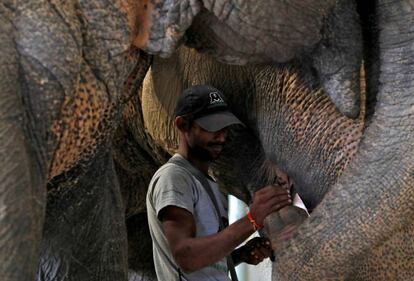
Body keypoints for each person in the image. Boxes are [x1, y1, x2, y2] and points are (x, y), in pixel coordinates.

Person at [146, 85, 292, 281]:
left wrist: (239, 255)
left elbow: (203, 263)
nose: (221, 136)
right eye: (211, 127)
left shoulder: (209, 182)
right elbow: (187, 258)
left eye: (224, 127)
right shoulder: (174, 177)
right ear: (182, 125)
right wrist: (252, 219)